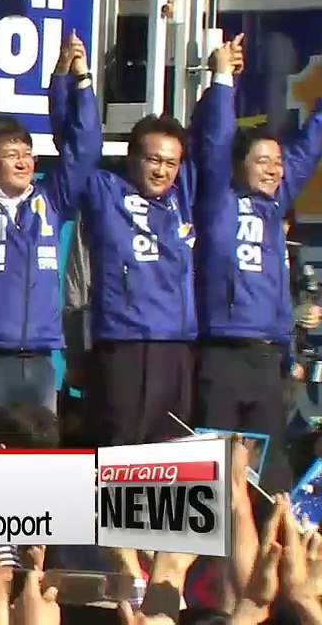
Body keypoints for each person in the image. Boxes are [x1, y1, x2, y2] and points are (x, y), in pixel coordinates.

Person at [0, 32, 101, 412]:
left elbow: (84, 149)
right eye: (11, 154)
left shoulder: (49, 198)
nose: (23, 162)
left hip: (41, 363)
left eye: (28, 154)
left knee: (38, 466)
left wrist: (75, 80)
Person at [192, 35, 322, 493]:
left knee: (268, 477)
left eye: (277, 163)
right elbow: (215, 141)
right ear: (238, 166)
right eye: (262, 161)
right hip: (222, 352)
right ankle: (206, 561)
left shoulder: (277, 204)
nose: (273, 169)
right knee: (216, 472)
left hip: (268, 357)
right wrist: (223, 77)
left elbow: (309, 148)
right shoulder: (218, 201)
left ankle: (264, 558)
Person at [78, 81, 198, 446]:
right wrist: (81, 84)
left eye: (171, 163)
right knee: (123, 452)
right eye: (153, 159)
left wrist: (222, 80)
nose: (162, 171)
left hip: (178, 348)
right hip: (127, 344)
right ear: (132, 157)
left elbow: (214, 141)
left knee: (172, 455)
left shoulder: (184, 198)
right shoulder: (105, 190)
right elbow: (80, 147)